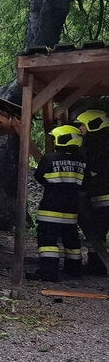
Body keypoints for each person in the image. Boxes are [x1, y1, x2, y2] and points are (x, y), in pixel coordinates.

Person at [31, 124, 87, 281]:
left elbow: (39, 176)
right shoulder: (82, 161)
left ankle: (48, 272)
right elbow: (86, 183)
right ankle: (74, 270)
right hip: (71, 210)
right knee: (72, 242)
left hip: (50, 208)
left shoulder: (50, 158)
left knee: (48, 242)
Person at [75, 108, 109, 275]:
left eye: (83, 125)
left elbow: (92, 170)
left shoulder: (98, 144)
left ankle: (97, 266)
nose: (81, 129)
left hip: (103, 197)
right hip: (102, 196)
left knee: (97, 232)